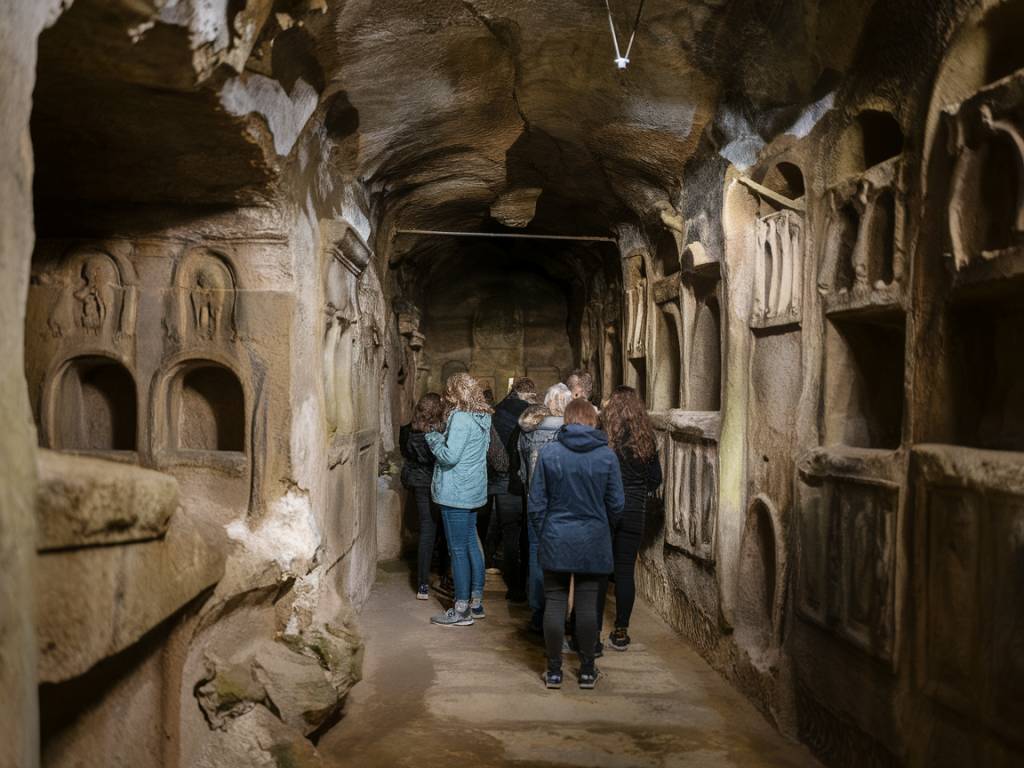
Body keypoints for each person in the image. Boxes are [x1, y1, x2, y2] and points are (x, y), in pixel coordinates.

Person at [528, 399, 624, 690]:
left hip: (557, 535)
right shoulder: (607, 457)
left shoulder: (549, 453)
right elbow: (617, 504)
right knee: (586, 605)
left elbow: (536, 503)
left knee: (555, 603)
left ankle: (554, 670)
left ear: (566, 420)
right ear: (593, 421)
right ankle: (586, 670)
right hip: (592, 538)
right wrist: (603, 526)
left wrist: (545, 531)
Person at [597, 386, 663, 650]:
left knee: (601, 570)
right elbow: (655, 478)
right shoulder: (645, 438)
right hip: (635, 509)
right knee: (625, 571)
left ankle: (593, 628)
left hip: (606, 508)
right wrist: (637, 491)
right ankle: (621, 631)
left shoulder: (605, 437)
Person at [426, 373, 493, 627]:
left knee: (457, 550)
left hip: (456, 491)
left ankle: (461, 608)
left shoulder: (461, 418)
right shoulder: (483, 417)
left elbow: (450, 457)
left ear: (456, 393)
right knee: (471, 545)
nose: (447, 397)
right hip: (473, 489)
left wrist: (433, 440)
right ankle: (475, 602)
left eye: (449, 392)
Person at [518, 382, 574, 631]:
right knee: (566, 557)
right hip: (566, 505)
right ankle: (563, 610)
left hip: (535, 500)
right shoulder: (573, 433)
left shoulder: (529, 430)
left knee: (536, 553)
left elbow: (521, 468)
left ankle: (539, 611)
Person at [490, 377, 536, 602]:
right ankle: (530, 585)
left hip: (502, 480)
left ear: (513, 391)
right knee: (529, 535)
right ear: (530, 394)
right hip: (526, 482)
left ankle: (514, 587)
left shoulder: (497, 411)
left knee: (510, 535)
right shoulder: (534, 415)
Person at [399, 393, 448, 600]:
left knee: (427, 530)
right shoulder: (441, 432)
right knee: (443, 528)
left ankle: (422, 584)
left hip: (419, 484)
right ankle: (445, 576)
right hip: (438, 482)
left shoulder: (408, 430)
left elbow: (406, 455)